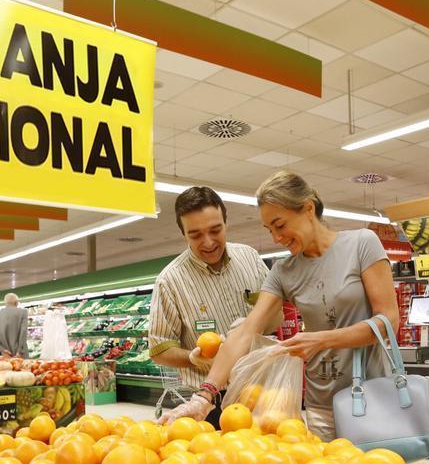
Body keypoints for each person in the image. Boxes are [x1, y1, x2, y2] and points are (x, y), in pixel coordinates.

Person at [162, 170, 399, 440]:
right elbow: (247, 330)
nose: (276, 238)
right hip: (322, 403)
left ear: (308, 209)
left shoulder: (361, 244)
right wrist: (204, 396)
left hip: (372, 391)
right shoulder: (283, 271)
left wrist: (321, 340)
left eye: (280, 225)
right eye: (269, 229)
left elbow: (388, 320)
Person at [149, 186, 272, 427]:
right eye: (195, 235)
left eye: (215, 230)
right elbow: (158, 349)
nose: (208, 242)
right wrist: (193, 359)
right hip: (210, 403)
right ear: (183, 233)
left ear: (226, 222)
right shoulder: (170, 281)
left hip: (264, 392)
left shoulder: (250, 258)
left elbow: (274, 312)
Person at [0, 293, 29, 357]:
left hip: (3, 355)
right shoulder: (23, 312)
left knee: (4, 367)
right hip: (19, 354)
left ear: (5, 303)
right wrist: (19, 351)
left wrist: (1, 349)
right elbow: (23, 332)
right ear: (16, 302)